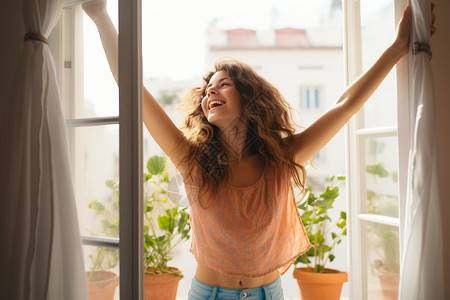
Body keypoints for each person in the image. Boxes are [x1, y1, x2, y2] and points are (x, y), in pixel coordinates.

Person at [82, 1, 435, 299]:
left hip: (269, 293)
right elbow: (132, 87)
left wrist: (397, 47)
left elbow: (345, 105)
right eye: (206, 90)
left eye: (224, 84)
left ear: (248, 96)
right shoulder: (192, 159)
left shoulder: (282, 158)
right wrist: (99, 15)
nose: (209, 93)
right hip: (209, 293)